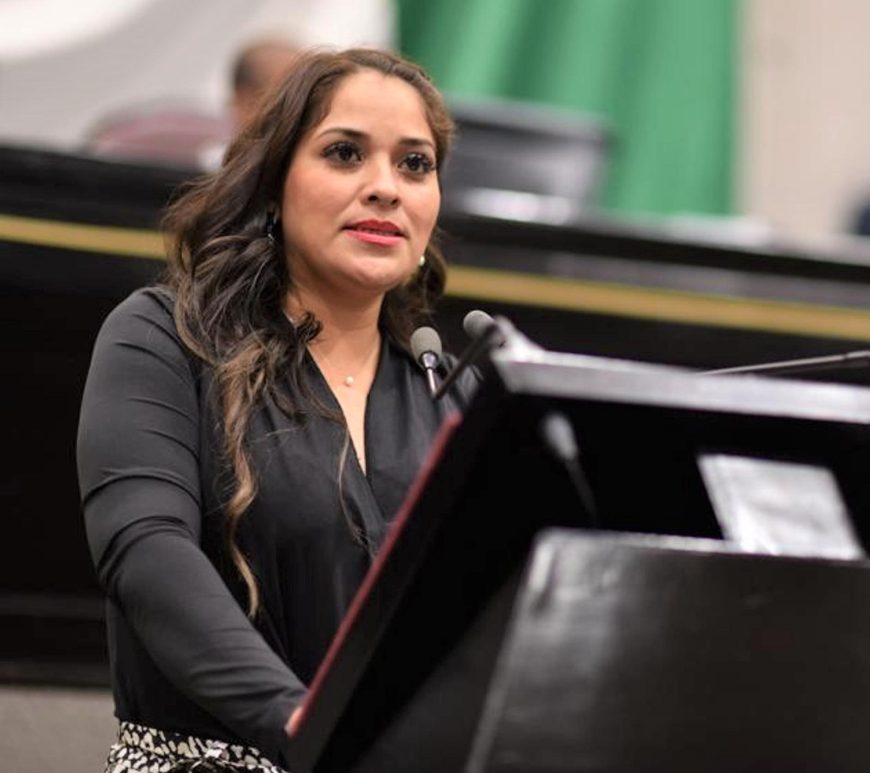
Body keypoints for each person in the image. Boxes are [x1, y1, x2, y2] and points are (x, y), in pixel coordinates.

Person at [77, 47, 476, 772]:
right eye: (345, 153)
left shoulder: (447, 390)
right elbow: (147, 553)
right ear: (273, 183)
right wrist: (306, 725)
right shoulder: (164, 337)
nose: (385, 187)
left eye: (415, 164)